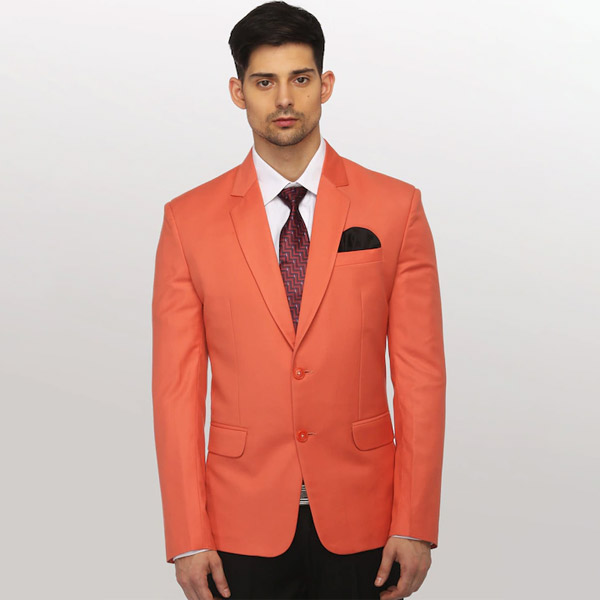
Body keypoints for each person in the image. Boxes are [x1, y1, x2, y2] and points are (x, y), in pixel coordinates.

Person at [151, 2, 446, 599]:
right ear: (238, 92)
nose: (284, 99)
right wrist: (187, 535)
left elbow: (421, 375)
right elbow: (176, 390)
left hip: (367, 518)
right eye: (264, 82)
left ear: (325, 85)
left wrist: (415, 522)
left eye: (300, 79)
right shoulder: (188, 221)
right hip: (239, 523)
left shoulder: (397, 206)